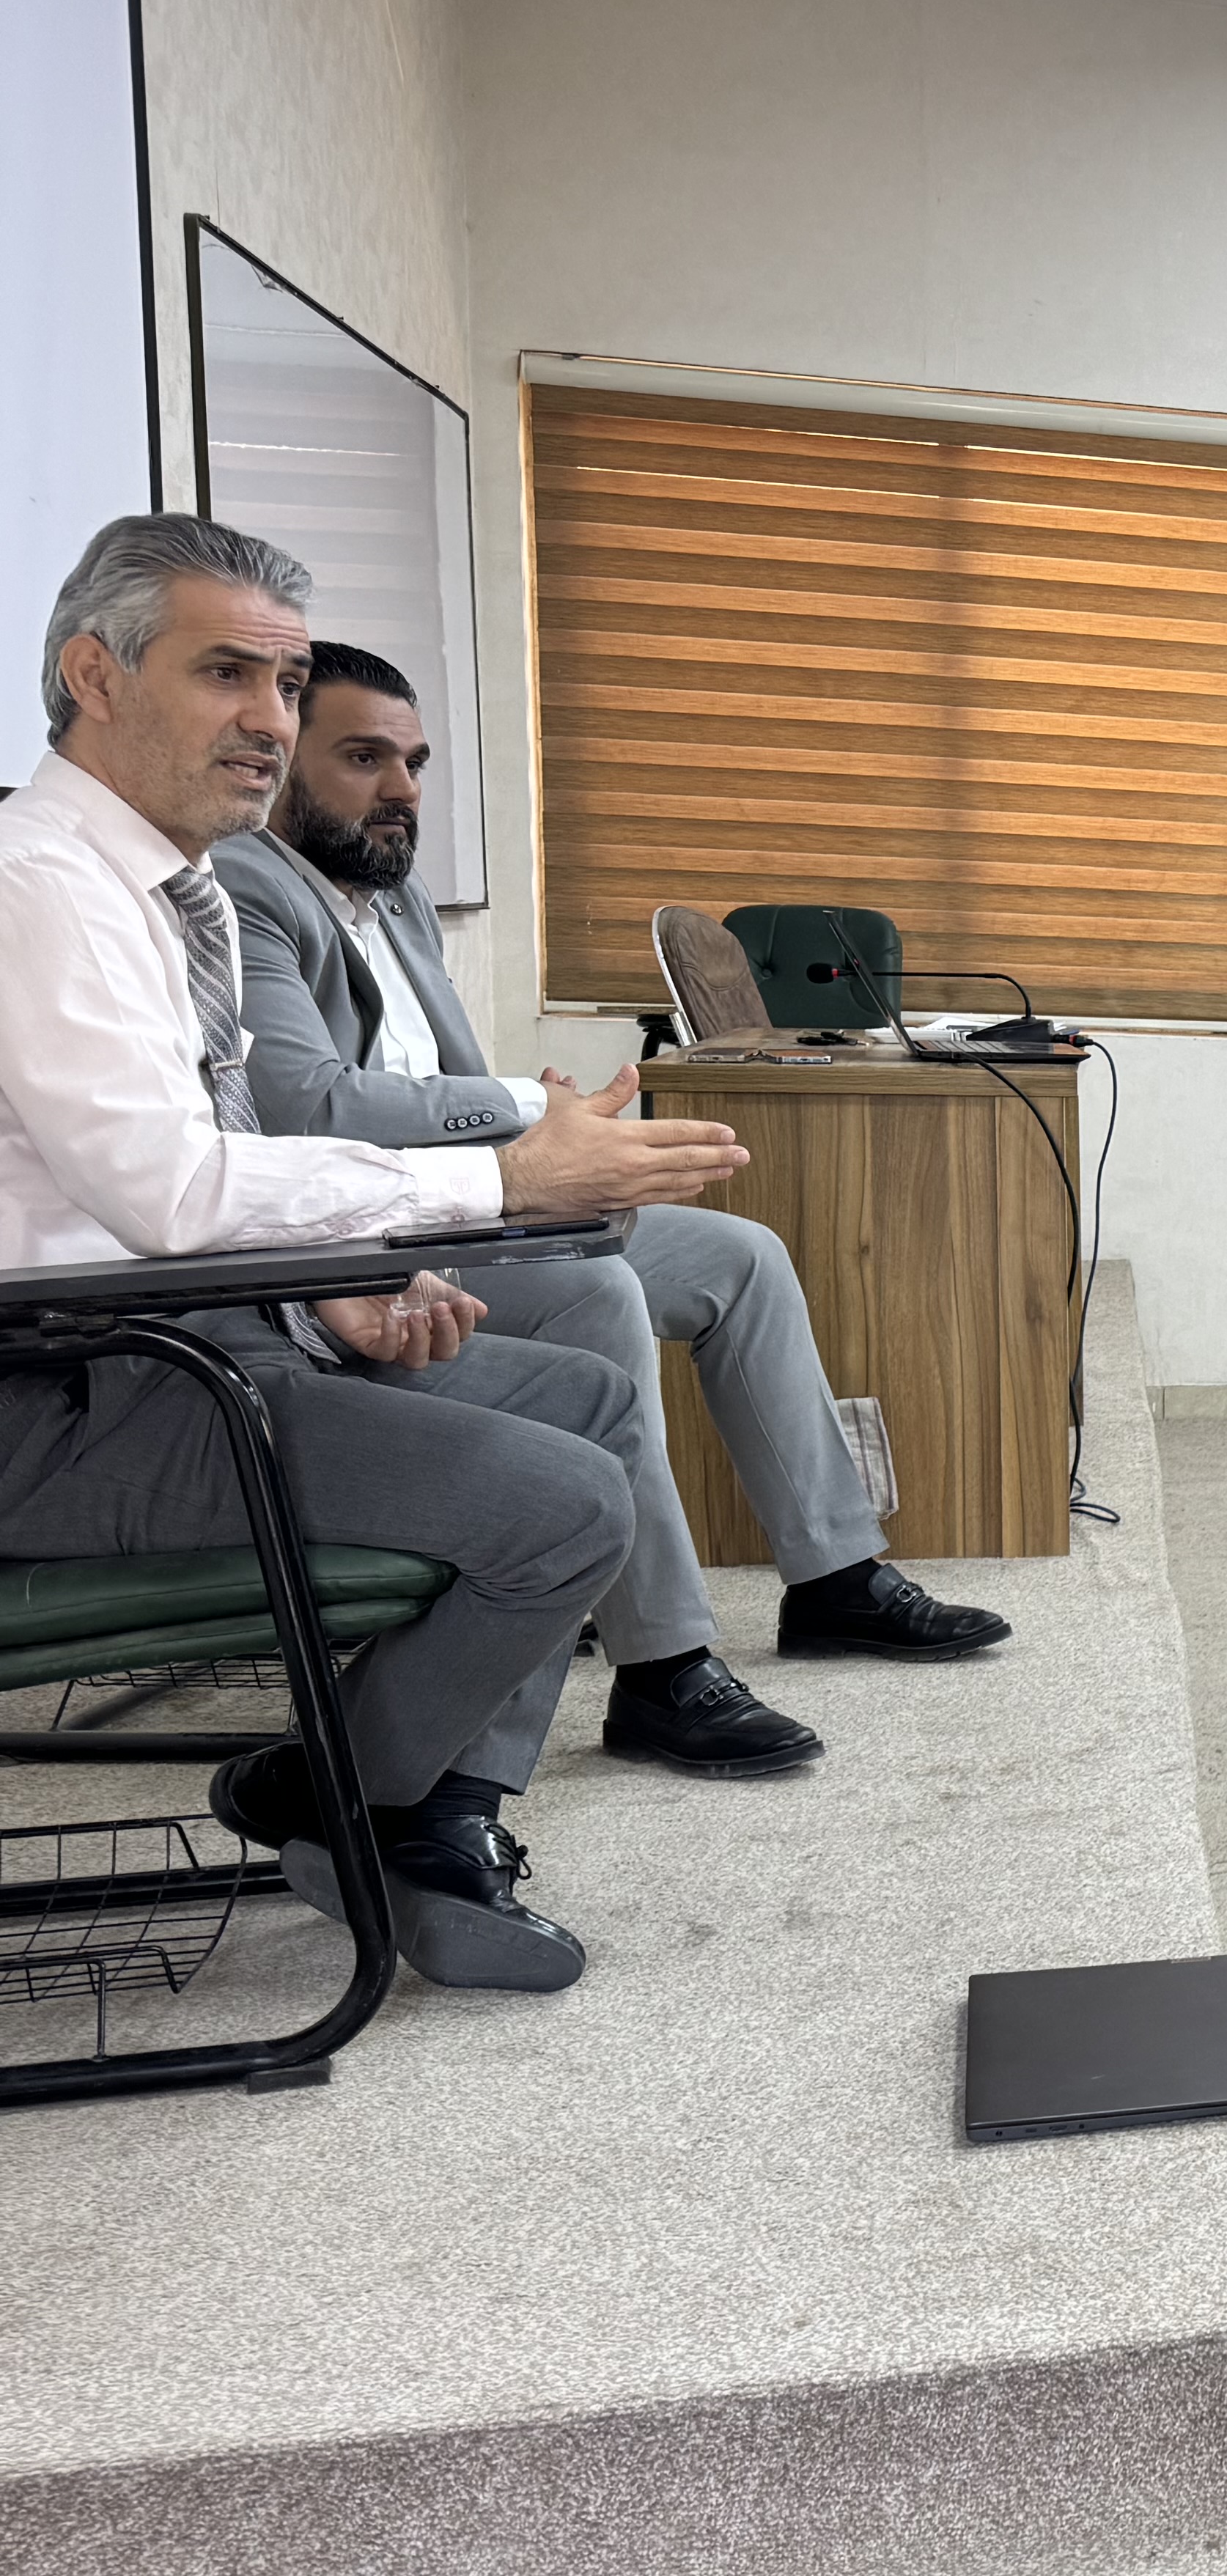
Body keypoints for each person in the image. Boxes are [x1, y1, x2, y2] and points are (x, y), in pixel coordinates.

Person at [0, 515, 751, 1990]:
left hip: (177, 1338)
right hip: (70, 1395)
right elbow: (168, 1190)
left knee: (591, 1402)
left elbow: (173, 1173)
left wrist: (335, 1279)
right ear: (95, 674)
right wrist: (501, 1177)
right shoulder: (42, 888)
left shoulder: (169, 889)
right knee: (565, 1509)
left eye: (285, 684)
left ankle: (407, 1801)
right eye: (227, 673)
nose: (269, 721)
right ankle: (368, 1799)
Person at [218, 641, 1010, 1783]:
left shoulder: (397, 905)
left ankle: (834, 1574)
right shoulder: (248, 887)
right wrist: (522, 1110)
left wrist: (563, 1135)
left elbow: (438, 1081)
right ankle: (663, 1665)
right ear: (287, 759)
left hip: (470, 1207)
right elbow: (307, 1101)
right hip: (374, 1239)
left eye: (415, 763)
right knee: (596, 1291)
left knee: (740, 1258)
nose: (402, 790)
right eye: (363, 759)